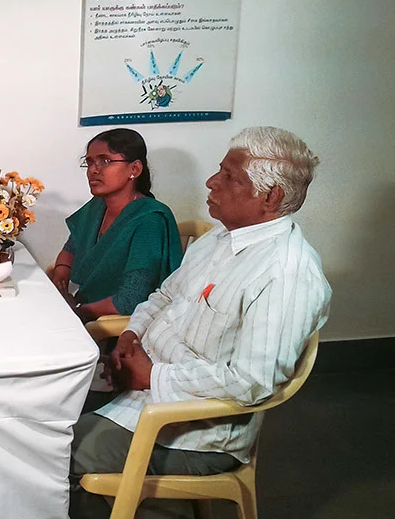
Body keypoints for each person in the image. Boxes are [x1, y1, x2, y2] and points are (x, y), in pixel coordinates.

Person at [69, 127, 332, 519]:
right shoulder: (221, 237)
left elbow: (252, 380)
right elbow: (163, 295)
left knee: (53, 451)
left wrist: (152, 378)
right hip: (138, 388)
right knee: (44, 414)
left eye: (229, 177)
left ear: (271, 196)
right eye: (219, 170)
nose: (211, 182)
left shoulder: (286, 274)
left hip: (188, 433)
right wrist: (131, 333)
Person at [52, 129, 182, 322]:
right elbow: (72, 247)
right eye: (89, 162)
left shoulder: (149, 220)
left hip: (122, 326)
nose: (93, 170)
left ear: (134, 170)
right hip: (85, 308)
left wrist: (77, 311)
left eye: (105, 161)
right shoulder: (98, 207)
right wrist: (59, 278)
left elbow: (130, 300)